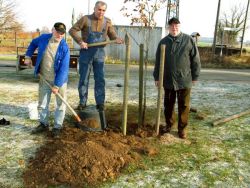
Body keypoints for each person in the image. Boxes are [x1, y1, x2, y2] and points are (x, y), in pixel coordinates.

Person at [69, 1, 123, 112]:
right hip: (86, 52)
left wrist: (116, 39)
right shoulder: (85, 19)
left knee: (100, 79)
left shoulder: (107, 21)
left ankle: (100, 103)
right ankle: (82, 102)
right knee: (84, 79)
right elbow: (72, 30)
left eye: (103, 10)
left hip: (100, 53)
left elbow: (112, 34)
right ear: (94, 9)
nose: (101, 12)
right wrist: (80, 42)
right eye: (99, 9)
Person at [153, 17, 201, 139]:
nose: (174, 28)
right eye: (172, 26)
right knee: (168, 104)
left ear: (180, 27)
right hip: (168, 79)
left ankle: (182, 129)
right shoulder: (163, 42)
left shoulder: (188, 40)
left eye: (176, 26)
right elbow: (158, 61)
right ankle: (169, 125)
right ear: (168, 27)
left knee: (184, 105)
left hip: (184, 79)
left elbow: (195, 59)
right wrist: (157, 77)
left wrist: (195, 76)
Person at [24, 22, 70, 138]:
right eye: (58, 32)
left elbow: (64, 69)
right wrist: (28, 56)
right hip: (44, 78)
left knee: (60, 105)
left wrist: (57, 85)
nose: (60, 35)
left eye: (62, 33)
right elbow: (33, 44)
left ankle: (57, 127)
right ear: (52, 30)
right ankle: (43, 124)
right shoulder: (44, 39)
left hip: (60, 81)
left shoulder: (64, 47)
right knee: (43, 104)